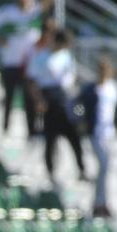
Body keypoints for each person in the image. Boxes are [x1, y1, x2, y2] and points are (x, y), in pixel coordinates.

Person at [0, 0, 46, 138]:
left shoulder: (35, 11)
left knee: (29, 99)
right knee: (9, 97)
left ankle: (32, 130)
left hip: (30, 65)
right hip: (11, 62)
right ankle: (6, 128)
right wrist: (0, 40)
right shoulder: (8, 12)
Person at [34, 29, 86, 185]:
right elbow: (32, 81)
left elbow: (71, 80)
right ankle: (50, 171)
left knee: (74, 138)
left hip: (65, 100)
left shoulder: (67, 57)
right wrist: (39, 100)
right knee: (50, 140)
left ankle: (82, 169)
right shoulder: (42, 57)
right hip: (49, 98)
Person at [84, 58, 117, 218]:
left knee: (105, 169)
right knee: (103, 167)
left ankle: (102, 202)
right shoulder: (92, 89)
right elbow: (78, 106)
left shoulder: (113, 88)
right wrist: (82, 123)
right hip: (96, 132)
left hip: (109, 133)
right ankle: (99, 202)